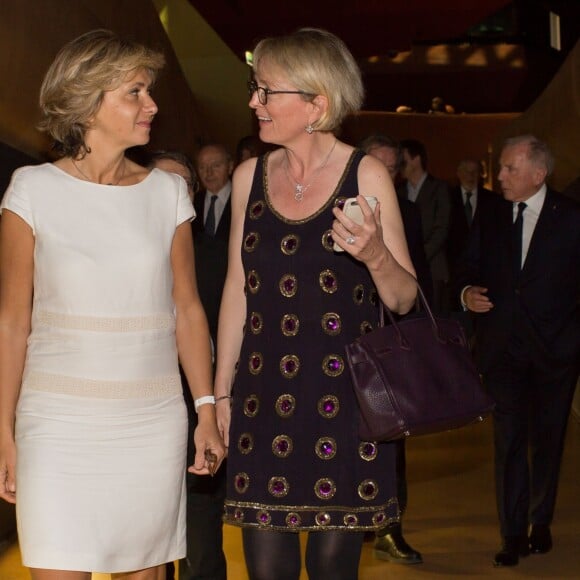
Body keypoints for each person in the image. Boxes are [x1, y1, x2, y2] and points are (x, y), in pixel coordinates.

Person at [0, 29, 226, 580]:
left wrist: (206, 406)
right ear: (87, 101)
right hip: (55, 422)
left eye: (150, 92)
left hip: (149, 422)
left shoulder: (166, 193)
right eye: (135, 92)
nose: (152, 106)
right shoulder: (31, 189)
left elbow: (188, 310)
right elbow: (12, 318)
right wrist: (1, 426)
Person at [213, 28, 417, 580]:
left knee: (332, 567)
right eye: (254, 88)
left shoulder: (366, 175)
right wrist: (221, 391)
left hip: (342, 400)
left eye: (266, 91)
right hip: (261, 394)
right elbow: (238, 289)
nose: (253, 102)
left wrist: (375, 253)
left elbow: (402, 299)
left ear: (316, 103)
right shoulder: (248, 176)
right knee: (266, 568)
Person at [455, 135, 580, 567]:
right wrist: (467, 292)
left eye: (509, 169)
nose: (500, 176)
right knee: (508, 441)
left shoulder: (572, 217)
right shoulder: (488, 214)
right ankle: (511, 532)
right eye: (502, 169)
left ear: (538, 174)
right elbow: (466, 267)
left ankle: (539, 521)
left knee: (547, 441)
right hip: (502, 350)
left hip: (556, 354)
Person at [149, 150, 226, 580]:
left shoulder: (213, 255)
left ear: (193, 195)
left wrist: (212, 408)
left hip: (199, 406)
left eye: (179, 183)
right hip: (142, 410)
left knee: (201, 539)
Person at [359, 134, 430, 565]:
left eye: (390, 168)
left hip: (392, 337)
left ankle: (390, 526)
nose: (383, 175)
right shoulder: (332, 211)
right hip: (343, 338)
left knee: (392, 433)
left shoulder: (409, 213)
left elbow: (416, 282)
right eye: (376, 166)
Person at [398, 139, 451, 313]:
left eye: (403, 159)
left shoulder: (439, 188)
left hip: (432, 267)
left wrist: (418, 257)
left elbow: (441, 229)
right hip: (402, 269)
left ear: (416, 159)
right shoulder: (398, 191)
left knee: (432, 319)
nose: (399, 164)